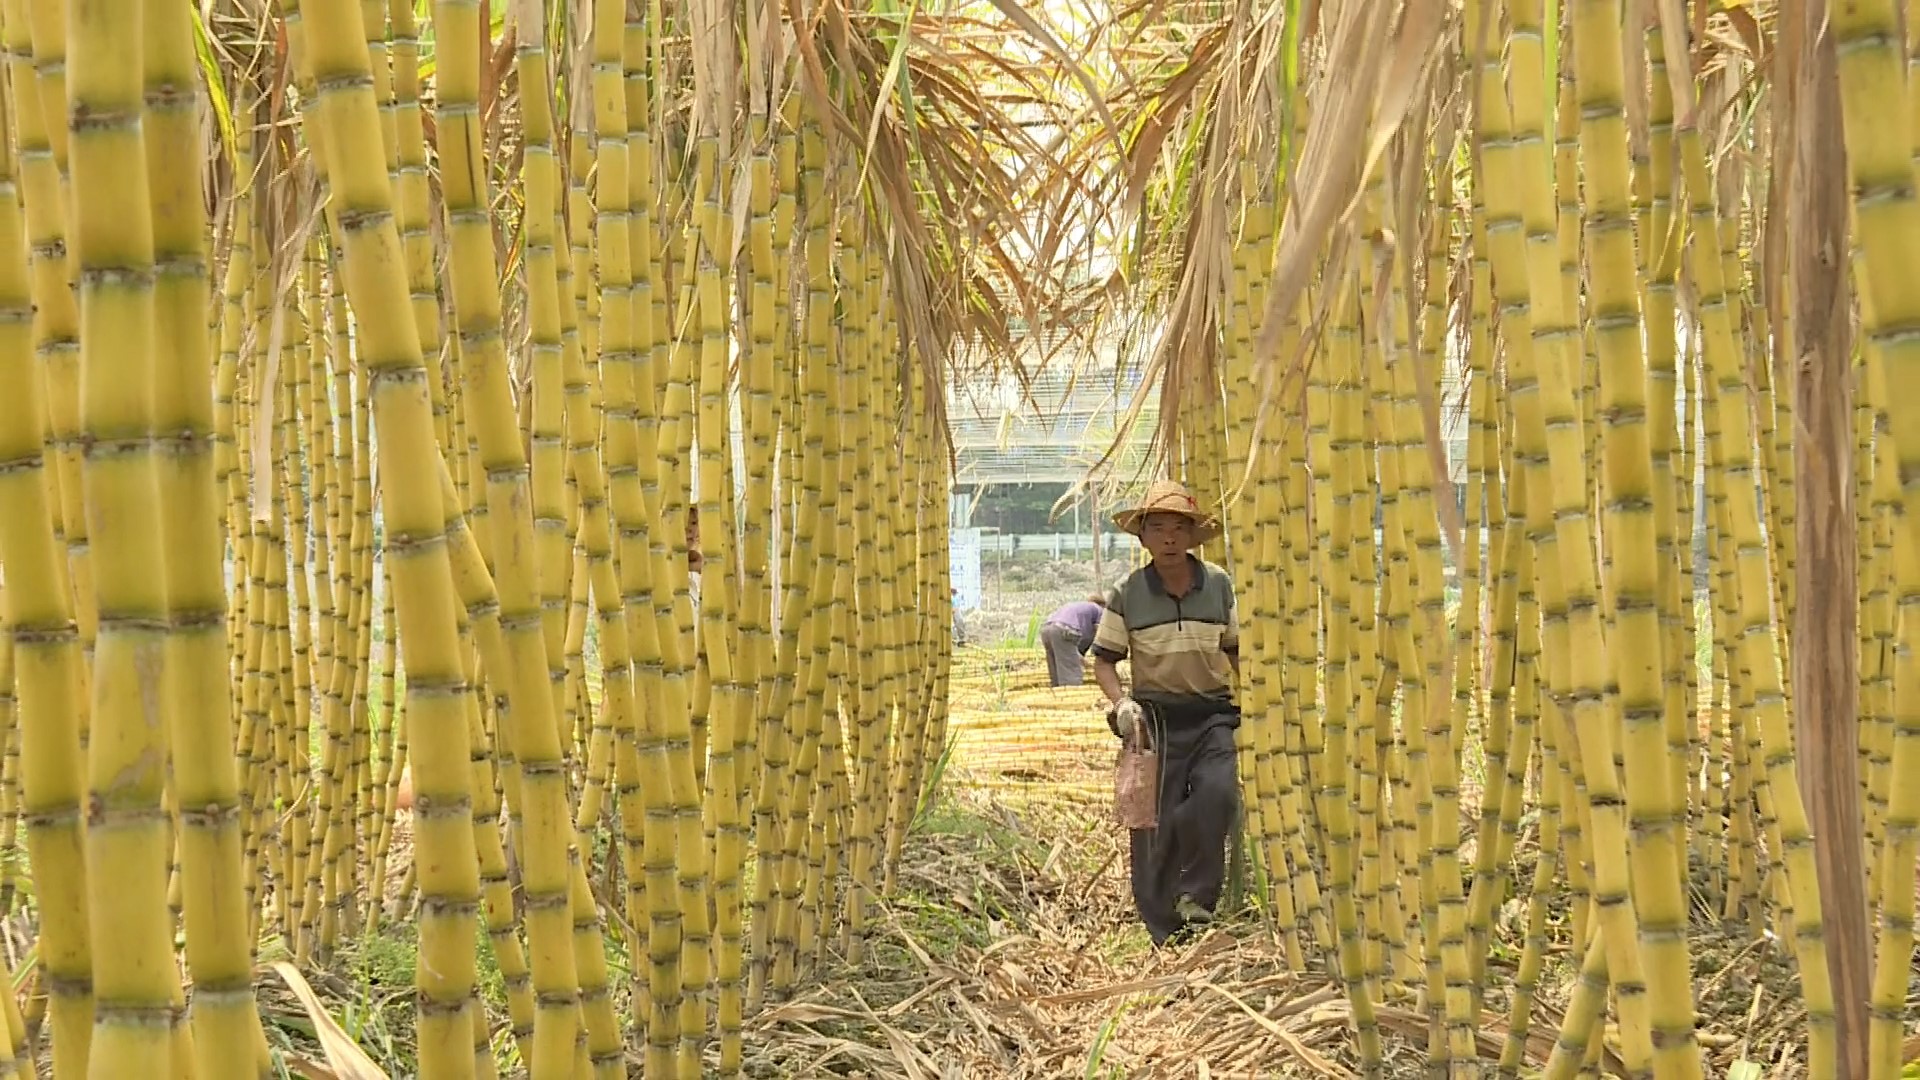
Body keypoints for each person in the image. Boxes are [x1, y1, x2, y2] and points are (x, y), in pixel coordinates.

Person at [1090, 479, 1240, 946]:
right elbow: (1104, 660)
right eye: (1158, 529)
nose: (1170, 538)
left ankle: (1196, 897)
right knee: (1151, 820)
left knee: (1217, 794)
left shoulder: (1218, 585)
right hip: (1154, 720)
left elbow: (1236, 650)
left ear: (1194, 536)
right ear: (1143, 538)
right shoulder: (1128, 592)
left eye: (1180, 528)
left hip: (1212, 712)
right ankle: (1161, 923)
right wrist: (1121, 704)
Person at [1039, 596, 1106, 687]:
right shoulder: (1099, 610)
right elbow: (1101, 633)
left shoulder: (1079, 607)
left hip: (1046, 629)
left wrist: (1083, 660)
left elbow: (1072, 651)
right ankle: (1070, 694)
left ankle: (1057, 694)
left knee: (1056, 671)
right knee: (1070, 674)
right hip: (1064, 629)